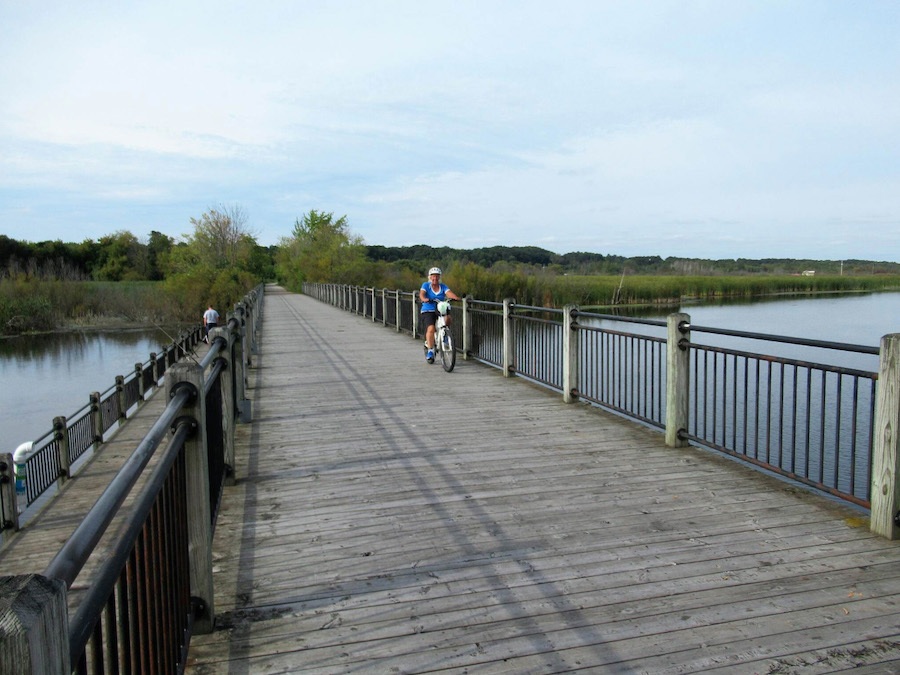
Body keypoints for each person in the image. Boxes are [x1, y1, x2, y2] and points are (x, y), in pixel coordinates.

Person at [419, 267, 460, 363]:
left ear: (439, 277)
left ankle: (445, 334)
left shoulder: (443, 286)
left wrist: (456, 298)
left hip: (439, 308)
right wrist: (424, 299)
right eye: (433, 276)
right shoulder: (426, 285)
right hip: (428, 309)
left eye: (437, 276)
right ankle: (430, 350)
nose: (435, 279)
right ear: (430, 277)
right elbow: (422, 294)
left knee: (448, 318)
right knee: (431, 328)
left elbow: (449, 293)